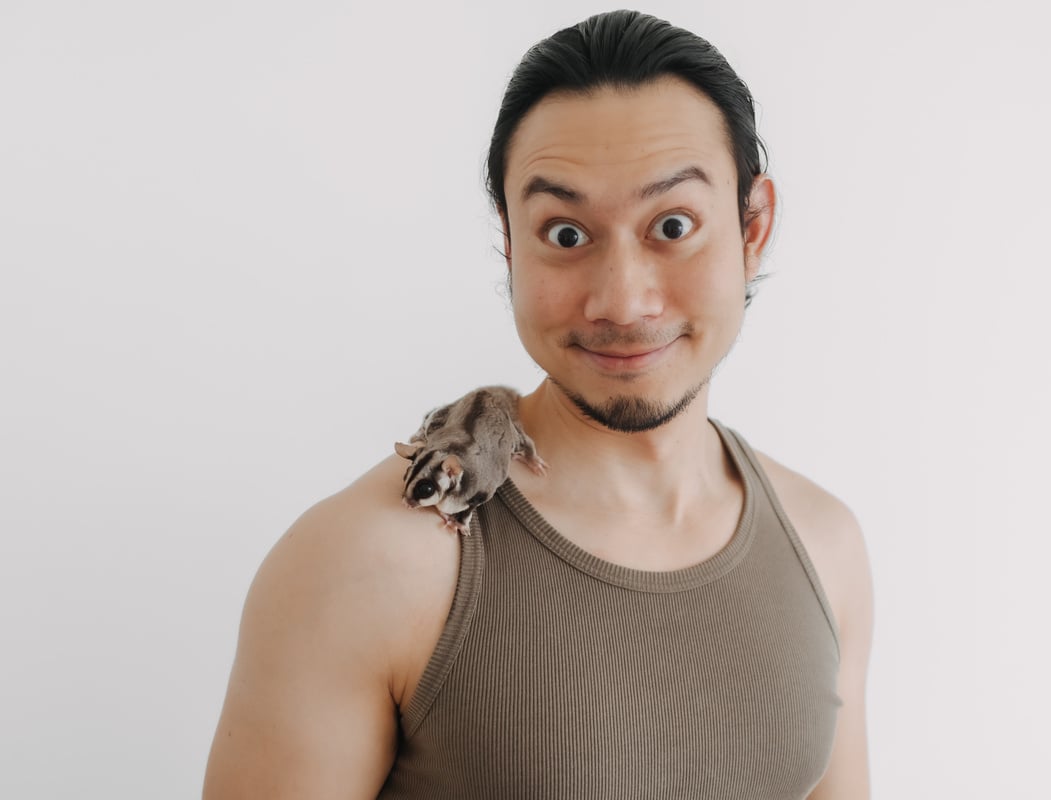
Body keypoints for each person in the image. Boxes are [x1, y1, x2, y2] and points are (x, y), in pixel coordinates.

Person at [203, 10, 873, 799]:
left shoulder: (825, 550)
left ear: (752, 225)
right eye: (564, 233)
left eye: (672, 225)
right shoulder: (366, 564)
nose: (622, 301)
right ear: (511, 240)